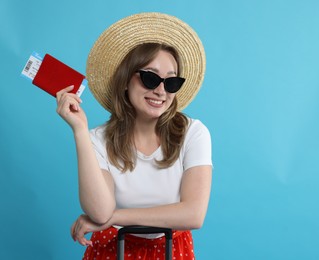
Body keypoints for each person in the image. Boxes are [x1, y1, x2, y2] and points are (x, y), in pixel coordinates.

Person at [55, 13, 212, 259]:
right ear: (126, 80)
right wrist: (80, 130)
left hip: (172, 250)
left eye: (171, 82)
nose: (160, 91)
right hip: (111, 249)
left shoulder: (194, 133)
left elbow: (193, 214)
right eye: (150, 77)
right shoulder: (99, 139)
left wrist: (114, 218)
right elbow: (99, 210)